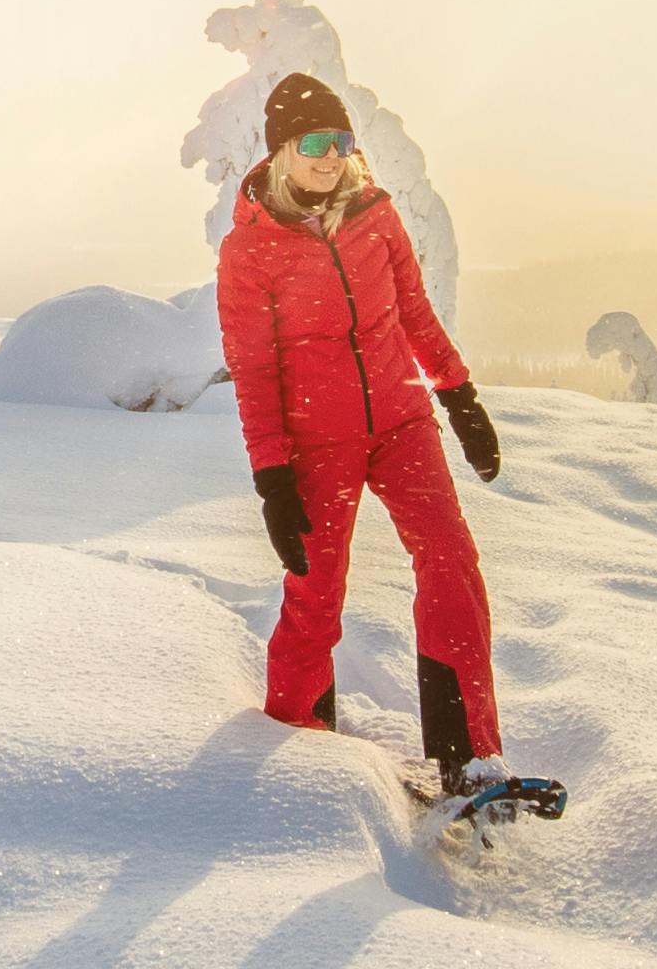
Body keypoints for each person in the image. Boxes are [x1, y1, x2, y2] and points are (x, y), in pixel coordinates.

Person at [212, 70, 511, 794]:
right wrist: (272, 476)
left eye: (342, 140)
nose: (330, 154)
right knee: (316, 595)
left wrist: (459, 395)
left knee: (451, 563)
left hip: (402, 424)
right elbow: (254, 371)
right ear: (282, 149)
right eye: (314, 140)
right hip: (318, 443)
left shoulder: (374, 212)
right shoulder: (250, 252)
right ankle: (296, 751)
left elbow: (414, 312)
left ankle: (467, 754)